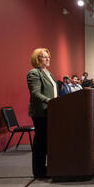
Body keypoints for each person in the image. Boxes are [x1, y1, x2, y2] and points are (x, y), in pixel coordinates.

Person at [27, 48, 58, 179]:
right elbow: (35, 93)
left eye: (48, 56)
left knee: (47, 142)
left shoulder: (48, 73)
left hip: (50, 111)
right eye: (44, 57)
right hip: (41, 113)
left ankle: (45, 167)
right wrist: (50, 101)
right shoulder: (34, 73)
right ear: (37, 59)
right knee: (40, 142)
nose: (48, 59)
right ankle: (38, 171)